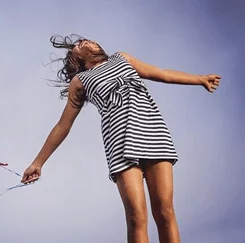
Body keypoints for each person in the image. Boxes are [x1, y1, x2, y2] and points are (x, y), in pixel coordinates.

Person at [21, 34, 221, 244]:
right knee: (136, 216)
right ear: (75, 58)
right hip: (119, 144)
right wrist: (38, 163)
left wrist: (199, 79)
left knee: (164, 210)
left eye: (85, 39)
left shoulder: (122, 58)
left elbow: (162, 74)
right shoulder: (80, 81)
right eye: (78, 45)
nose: (84, 41)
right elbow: (63, 126)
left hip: (153, 133)